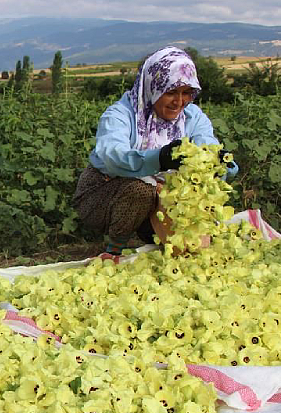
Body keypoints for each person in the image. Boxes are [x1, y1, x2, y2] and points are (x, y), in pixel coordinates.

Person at [73, 46, 238, 256]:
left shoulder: (192, 117)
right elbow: (112, 156)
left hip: (160, 197)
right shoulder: (120, 114)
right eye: (171, 92)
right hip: (104, 194)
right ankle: (114, 249)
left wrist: (219, 162)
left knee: (190, 227)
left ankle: (155, 236)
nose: (179, 102)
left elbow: (207, 145)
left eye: (186, 93)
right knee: (141, 190)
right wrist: (159, 158)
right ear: (153, 88)